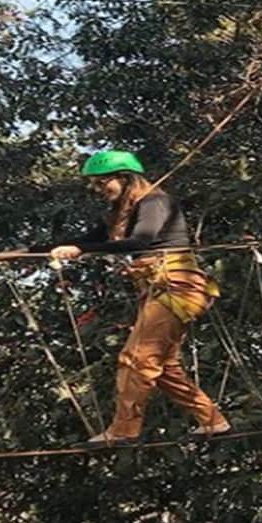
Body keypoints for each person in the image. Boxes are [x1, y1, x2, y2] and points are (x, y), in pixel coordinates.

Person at [43, 150, 231, 446]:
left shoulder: (155, 202)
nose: (99, 190)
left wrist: (82, 251)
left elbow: (141, 241)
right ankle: (213, 422)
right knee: (163, 367)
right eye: (94, 185)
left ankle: (123, 430)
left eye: (103, 183)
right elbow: (85, 240)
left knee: (136, 359)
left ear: (125, 179)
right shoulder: (123, 214)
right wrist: (29, 252)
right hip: (160, 289)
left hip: (176, 288)